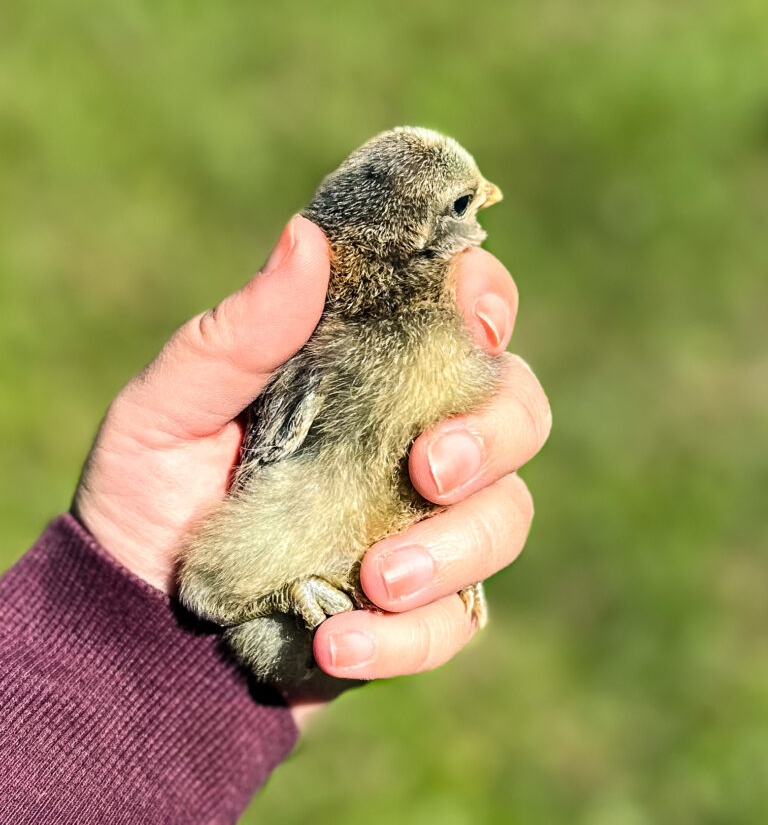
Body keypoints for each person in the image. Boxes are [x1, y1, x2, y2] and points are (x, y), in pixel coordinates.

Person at [0, 216, 551, 825]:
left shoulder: (432, 343)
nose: (488, 206)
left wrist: (143, 635)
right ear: (430, 236)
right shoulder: (339, 347)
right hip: (246, 574)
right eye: (466, 203)